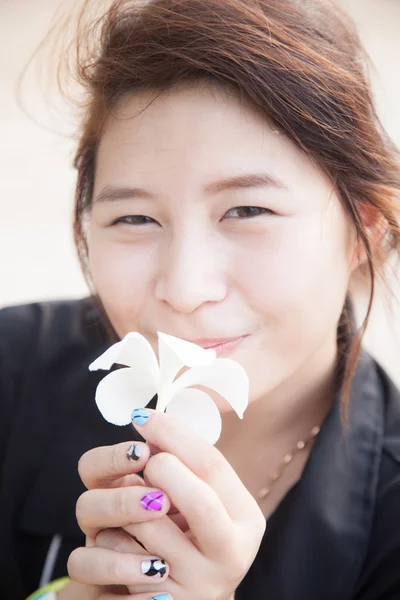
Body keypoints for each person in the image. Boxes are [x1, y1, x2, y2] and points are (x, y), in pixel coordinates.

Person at [1, 0, 400, 598]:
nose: (185, 290)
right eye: (135, 217)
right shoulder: (12, 371)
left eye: (247, 210)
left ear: (362, 231)